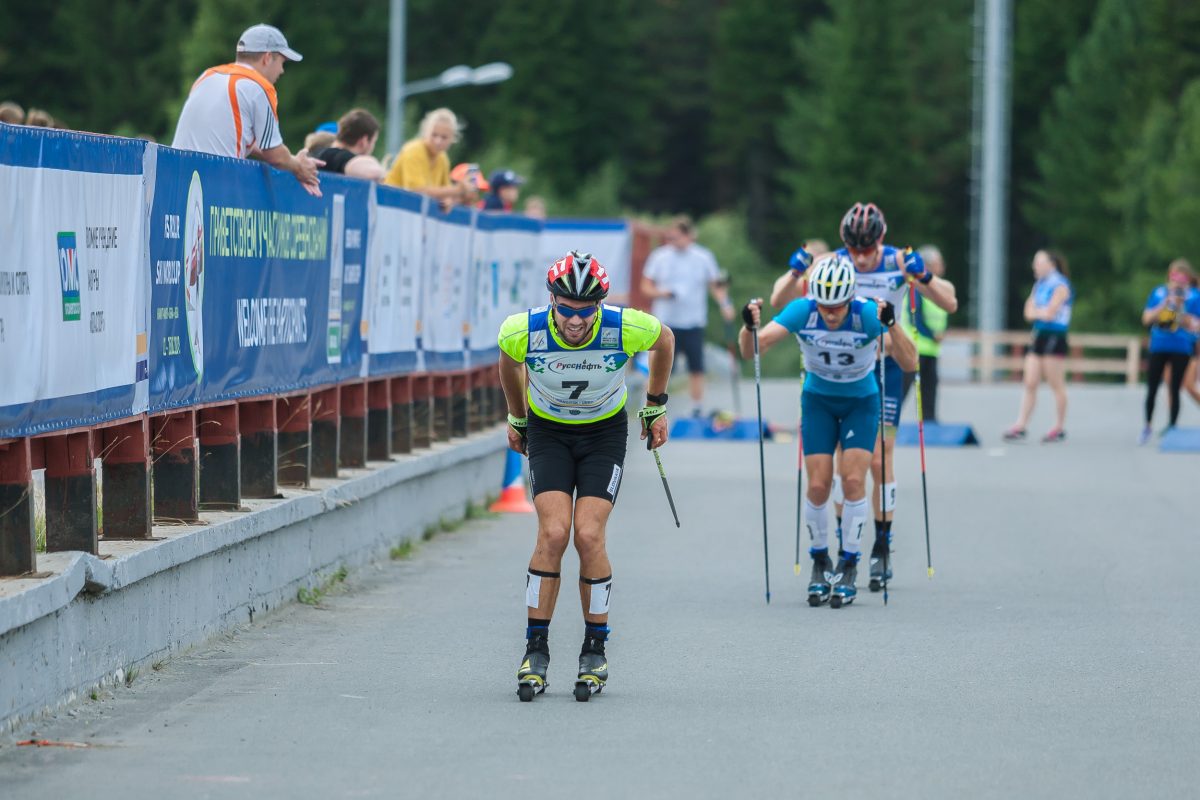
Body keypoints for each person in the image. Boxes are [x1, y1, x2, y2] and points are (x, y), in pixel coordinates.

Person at [498, 251, 674, 701]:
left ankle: (595, 648)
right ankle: (535, 648)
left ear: (600, 304)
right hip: (549, 433)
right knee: (553, 532)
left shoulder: (623, 326)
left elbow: (666, 340)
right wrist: (517, 417)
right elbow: (508, 361)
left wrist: (655, 404)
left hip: (603, 436)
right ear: (552, 301)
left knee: (589, 535)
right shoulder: (523, 331)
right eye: (566, 309)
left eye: (586, 310)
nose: (576, 320)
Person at [785, 203, 957, 590]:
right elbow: (793, 298)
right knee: (843, 463)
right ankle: (845, 543)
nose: (861, 258)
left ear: (881, 239)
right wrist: (796, 271)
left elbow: (949, 302)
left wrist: (924, 275)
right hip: (843, 367)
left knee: (880, 457)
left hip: (889, 366)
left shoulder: (899, 261)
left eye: (868, 249)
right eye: (854, 249)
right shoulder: (833, 262)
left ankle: (882, 544)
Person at [740, 254, 917, 608]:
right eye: (824, 306)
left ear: (850, 298)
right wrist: (748, 327)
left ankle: (849, 563)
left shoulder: (867, 314)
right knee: (819, 486)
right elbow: (751, 351)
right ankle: (820, 561)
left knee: (852, 481)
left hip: (860, 403)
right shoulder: (802, 310)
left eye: (836, 307)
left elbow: (910, 361)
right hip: (818, 402)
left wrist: (893, 325)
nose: (830, 314)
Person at [171, 24, 322, 197]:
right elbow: (275, 155)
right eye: (282, 62)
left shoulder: (207, 75)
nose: (282, 70)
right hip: (215, 184)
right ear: (267, 58)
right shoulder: (259, 87)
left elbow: (230, 135)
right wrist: (298, 166)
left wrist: (292, 161)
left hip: (175, 176)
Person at [640, 215, 736, 417]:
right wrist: (662, 293)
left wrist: (725, 304)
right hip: (666, 323)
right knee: (661, 367)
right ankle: (653, 404)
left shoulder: (703, 257)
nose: (673, 242)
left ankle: (697, 407)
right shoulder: (660, 256)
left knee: (696, 367)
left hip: (693, 321)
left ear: (689, 236)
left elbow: (716, 285)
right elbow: (645, 286)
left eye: (677, 237)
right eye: (671, 237)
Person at [1004, 250, 1073, 443]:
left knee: (1055, 383)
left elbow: (1050, 313)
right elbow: (1028, 313)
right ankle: (1021, 425)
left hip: (1055, 336)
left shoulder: (1060, 284)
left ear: (1051, 264)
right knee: (1030, 381)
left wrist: (1038, 312)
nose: (1035, 266)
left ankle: (1059, 426)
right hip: (1039, 335)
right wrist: (1039, 312)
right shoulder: (1039, 284)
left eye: (1039, 262)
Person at [1140, 259, 1200, 443]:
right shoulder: (1159, 293)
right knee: (1152, 387)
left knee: (1176, 387)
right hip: (1158, 345)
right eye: (1174, 277)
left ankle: (1173, 426)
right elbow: (1146, 318)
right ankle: (1147, 425)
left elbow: (1195, 324)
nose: (1177, 282)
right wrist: (1164, 305)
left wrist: (1180, 311)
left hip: (1181, 346)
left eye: (1182, 278)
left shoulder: (1194, 296)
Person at [384, 107, 474, 208]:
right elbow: (416, 191)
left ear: (452, 139)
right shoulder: (413, 151)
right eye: (434, 135)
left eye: (444, 137)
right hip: (389, 204)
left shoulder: (442, 158)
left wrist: (448, 200)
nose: (438, 141)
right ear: (425, 132)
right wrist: (456, 190)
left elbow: (445, 192)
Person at [899, 245, 950, 421]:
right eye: (938, 262)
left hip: (931, 349)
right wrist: (932, 335)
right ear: (927, 265)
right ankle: (887, 424)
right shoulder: (917, 287)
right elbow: (916, 316)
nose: (942, 266)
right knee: (902, 390)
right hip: (914, 347)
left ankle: (930, 424)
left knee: (929, 391)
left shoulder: (938, 288)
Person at [310, 108, 385, 182]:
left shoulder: (317, 152)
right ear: (364, 141)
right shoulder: (337, 157)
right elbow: (373, 173)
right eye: (373, 142)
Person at [769, 238, 829, 309]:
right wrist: (795, 275)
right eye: (807, 259)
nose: (810, 265)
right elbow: (776, 303)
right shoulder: (795, 276)